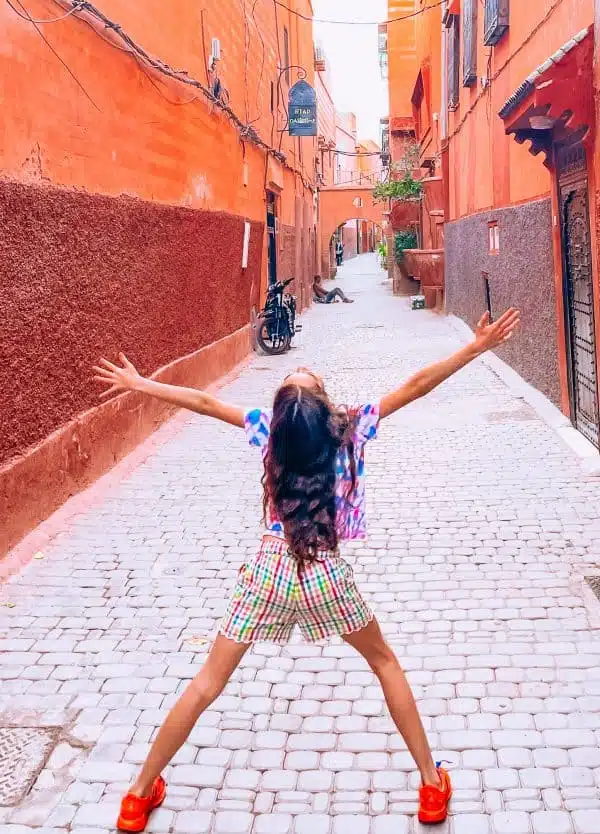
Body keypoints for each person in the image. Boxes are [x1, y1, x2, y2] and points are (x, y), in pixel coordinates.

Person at [93, 306, 520, 832]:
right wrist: (473, 348)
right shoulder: (349, 426)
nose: (303, 372)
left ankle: (136, 796)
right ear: (322, 404)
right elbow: (417, 385)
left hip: (268, 571)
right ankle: (432, 786)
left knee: (207, 681)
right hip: (324, 571)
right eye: (307, 376)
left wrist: (142, 385)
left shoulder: (267, 429)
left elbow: (202, 402)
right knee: (385, 663)